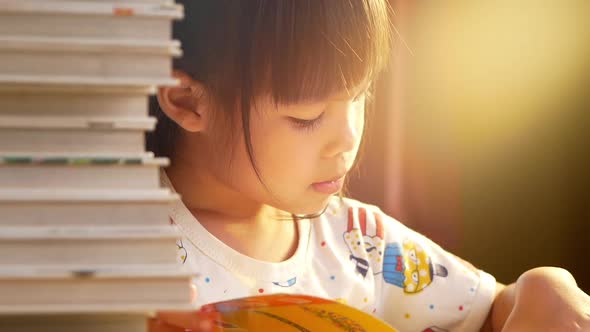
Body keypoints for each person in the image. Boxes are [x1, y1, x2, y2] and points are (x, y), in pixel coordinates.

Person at [148, 1, 590, 331]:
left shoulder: (362, 243)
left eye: (359, 97)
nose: (348, 138)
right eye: (307, 117)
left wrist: (548, 290)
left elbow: (494, 310)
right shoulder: (128, 248)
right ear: (188, 101)